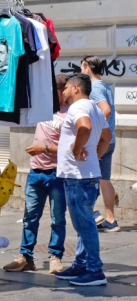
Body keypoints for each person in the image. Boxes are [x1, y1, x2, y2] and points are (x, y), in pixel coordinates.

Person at [53, 73, 113, 287]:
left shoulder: (78, 108)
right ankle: (81, 264)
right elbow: (106, 137)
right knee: (83, 223)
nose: (64, 91)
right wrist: (95, 155)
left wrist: (76, 150)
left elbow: (84, 127)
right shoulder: (95, 107)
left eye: (67, 87)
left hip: (77, 177)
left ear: (76, 88)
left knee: (85, 225)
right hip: (87, 175)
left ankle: (95, 270)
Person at [5, 75, 68, 274]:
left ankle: (55, 256)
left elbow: (71, 148)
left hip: (57, 174)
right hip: (35, 172)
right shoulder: (42, 107)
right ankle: (25, 257)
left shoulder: (71, 114)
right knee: (29, 217)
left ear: (62, 91)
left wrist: (44, 148)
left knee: (58, 218)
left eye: (53, 91)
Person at [81, 56, 119, 232]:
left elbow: (106, 110)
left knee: (85, 178)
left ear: (87, 68)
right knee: (104, 180)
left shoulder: (94, 87)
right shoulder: (104, 86)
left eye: (82, 67)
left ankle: (95, 213)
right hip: (109, 140)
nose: (81, 72)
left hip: (100, 141)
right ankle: (110, 220)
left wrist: (96, 131)